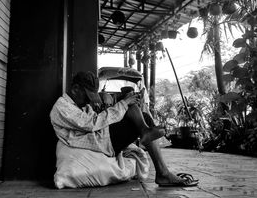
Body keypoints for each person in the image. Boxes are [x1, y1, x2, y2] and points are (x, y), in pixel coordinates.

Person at [50, 71, 198, 187]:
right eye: (87, 96)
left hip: (102, 135)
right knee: (138, 114)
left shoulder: (81, 105)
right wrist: (122, 104)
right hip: (100, 142)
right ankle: (162, 171)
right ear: (75, 89)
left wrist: (118, 103)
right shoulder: (61, 107)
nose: (89, 100)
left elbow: (97, 117)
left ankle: (147, 135)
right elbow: (92, 123)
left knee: (134, 108)